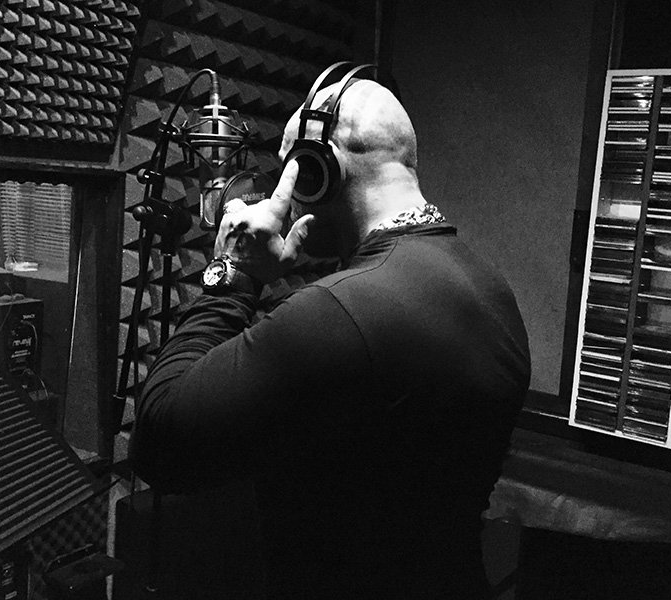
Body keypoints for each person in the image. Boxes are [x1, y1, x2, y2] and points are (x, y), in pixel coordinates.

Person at [131, 64, 531, 599]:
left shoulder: (341, 311)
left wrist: (234, 271)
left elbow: (161, 442)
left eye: (291, 173)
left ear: (319, 172)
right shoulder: (491, 288)